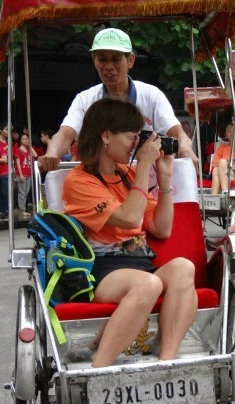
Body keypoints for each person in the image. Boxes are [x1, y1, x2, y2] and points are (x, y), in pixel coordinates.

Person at [62, 98, 197, 367]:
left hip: (141, 266)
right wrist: (144, 166)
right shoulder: (78, 180)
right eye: (132, 137)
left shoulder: (126, 174)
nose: (137, 145)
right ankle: (99, 368)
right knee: (149, 283)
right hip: (101, 271)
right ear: (106, 136)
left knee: (183, 267)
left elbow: (162, 227)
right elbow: (129, 217)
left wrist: (165, 178)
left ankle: (166, 363)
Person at [39, 27, 198, 172]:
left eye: (115, 59)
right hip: (101, 183)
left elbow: (178, 133)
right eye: (102, 59)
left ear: (130, 60)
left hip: (146, 182)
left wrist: (185, 148)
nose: (108, 66)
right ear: (94, 60)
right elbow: (65, 134)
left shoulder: (152, 96)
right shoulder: (84, 99)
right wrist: (51, 153)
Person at [14, 133, 37, 218]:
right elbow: (18, 163)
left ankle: (23, 209)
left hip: (28, 173)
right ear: (20, 140)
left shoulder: (28, 150)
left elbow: (35, 155)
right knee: (22, 193)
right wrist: (20, 175)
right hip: (22, 174)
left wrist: (29, 146)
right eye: (23, 139)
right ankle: (22, 210)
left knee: (26, 192)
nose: (25, 140)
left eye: (26, 139)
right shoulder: (18, 150)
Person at [0, 122, 10, 220]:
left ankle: (4, 211)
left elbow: (5, 160)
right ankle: (0, 211)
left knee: (5, 193)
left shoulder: (0, 148)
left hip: (4, 173)